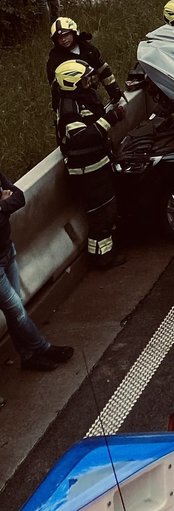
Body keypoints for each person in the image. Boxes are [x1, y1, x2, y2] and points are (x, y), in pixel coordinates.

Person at [1, 168, 74, 371]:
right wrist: (3, 205)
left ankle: (27, 357)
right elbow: (8, 204)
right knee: (16, 310)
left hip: (7, 251)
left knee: (16, 311)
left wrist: (2, 206)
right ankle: (43, 348)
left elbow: (19, 197)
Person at [54, 59, 124, 270]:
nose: (90, 82)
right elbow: (81, 137)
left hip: (97, 165)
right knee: (101, 216)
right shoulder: (69, 109)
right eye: (85, 79)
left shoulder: (83, 98)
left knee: (105, 213)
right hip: (87, 173)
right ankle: (103, 258)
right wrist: (109, 119)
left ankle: (101, 254)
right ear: (71, 83)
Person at [46, 16, 124, 114]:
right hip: (72, 103)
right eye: (60, 38)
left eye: (66, 35)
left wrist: (114, 90)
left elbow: (103, 70)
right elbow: (55, 88)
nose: (64, 40)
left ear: (74, 32)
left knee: (99, 118)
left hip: (92, 96)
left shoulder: (88, 49)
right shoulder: (55, 59)